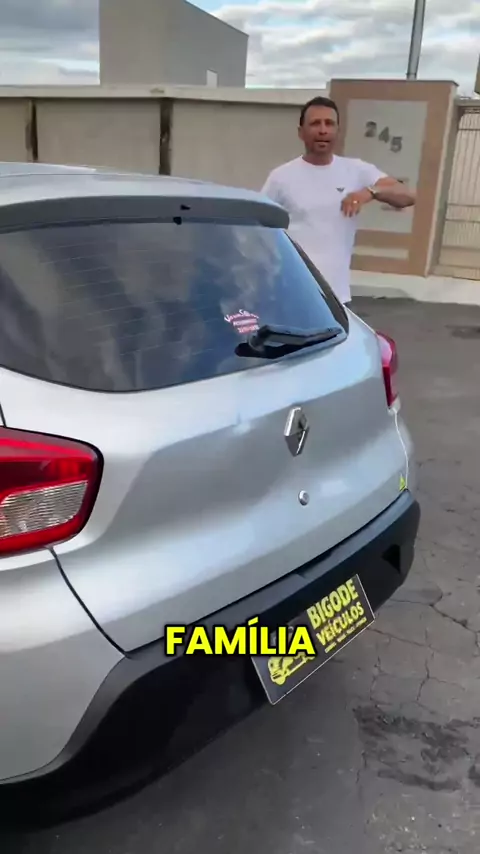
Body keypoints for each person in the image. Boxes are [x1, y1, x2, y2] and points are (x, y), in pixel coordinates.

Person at [261, 96, 416, 305]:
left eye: (329, 123)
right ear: (301, 132)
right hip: (291, 295)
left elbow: (407, 196)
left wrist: (370, 192)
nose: (323, 130)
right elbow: (259, 228)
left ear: (337, 131)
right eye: (315, 123)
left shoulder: (355, 170)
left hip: (337, 298)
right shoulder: (281, 177)